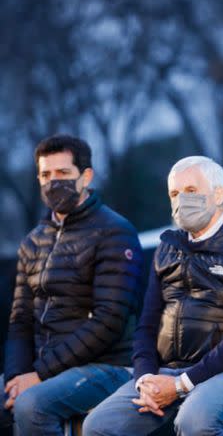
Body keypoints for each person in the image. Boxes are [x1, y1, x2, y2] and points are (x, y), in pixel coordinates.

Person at [83, 156, 223, 436]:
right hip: (170, 370)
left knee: (194, 420)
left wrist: (182, 384)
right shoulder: (166, 249)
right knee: (99, 425)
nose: (181, 199)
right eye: (174, 193)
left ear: (218, 194)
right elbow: (146, 326)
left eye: (190, 191)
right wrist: (145, 378)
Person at [1, 134, 143, 435]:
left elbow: (109, 322)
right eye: (45, 175)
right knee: (16, 395)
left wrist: (38, 374)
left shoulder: (115, 233)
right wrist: (17, 376)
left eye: (63, 173)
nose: (53, 182)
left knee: (31, 404)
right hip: (45, 368)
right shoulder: (33, 241)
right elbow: (20, 321)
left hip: (108, 366)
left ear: (86, 176)